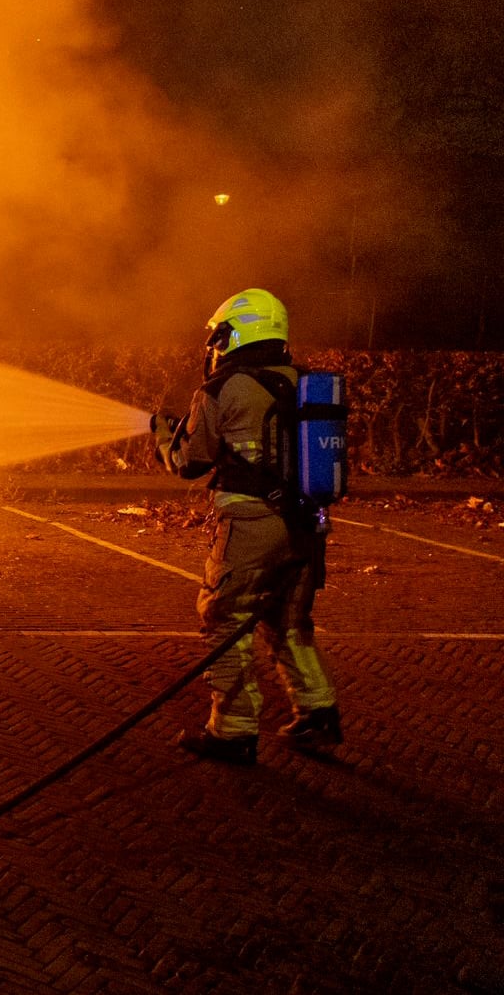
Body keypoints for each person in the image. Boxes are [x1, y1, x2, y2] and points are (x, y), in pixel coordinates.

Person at [154, 288, 343, 765]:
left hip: (250, 524)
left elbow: (190, 461)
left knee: (224, 617)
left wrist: (162, 438)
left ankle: (233, 731)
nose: (216, 346)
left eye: (220, 336)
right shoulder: (303, 381)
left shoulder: (221, 389)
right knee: (288, 620)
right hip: (306, 523)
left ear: (238, 333)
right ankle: (318, 712)